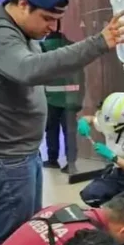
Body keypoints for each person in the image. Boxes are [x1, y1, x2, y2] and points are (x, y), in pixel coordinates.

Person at [0, 0, 124, 245]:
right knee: (10, 240)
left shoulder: (20, 29)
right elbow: (29, 69)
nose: (51, 28)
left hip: (20, 152)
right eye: (46, 19)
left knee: (24, 231)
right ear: (22, 3)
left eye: (56, 20)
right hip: (4, 157)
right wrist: (98, 43)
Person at [78, 92, 124, 206]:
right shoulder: (110, 121)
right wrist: (83, 121)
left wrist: (113, 157)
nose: (108, 128)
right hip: (117, 172)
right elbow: (92, 119)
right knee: (89, 195)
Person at [43, 26, 80, 170]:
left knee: (51, 130)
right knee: (69, 132)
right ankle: (71, 163)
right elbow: (81, 75)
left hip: (49, 98)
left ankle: (52, 160)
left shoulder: (42, 49)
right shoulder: (73, 48)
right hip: (70, 98)